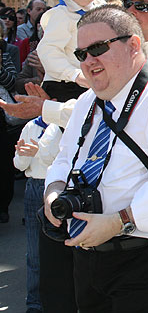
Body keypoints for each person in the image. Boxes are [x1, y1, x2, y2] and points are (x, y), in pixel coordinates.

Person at [43, 5, 148, 311]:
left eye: (98, 49)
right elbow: (64, 159)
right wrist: (53, 193)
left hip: (144, 257)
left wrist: (118, 222)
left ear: (133, 45)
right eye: (81, 54)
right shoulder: (86, 102)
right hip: (87, 255)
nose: (89, 61)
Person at [37, 0, 107, 102]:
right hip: (64, 85)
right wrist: (74, 74)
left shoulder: (104, 11)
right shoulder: (62, 14)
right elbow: (48, 50)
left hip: (93, 82)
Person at [14, 116, 62, 313]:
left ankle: (63, 300)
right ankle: (34, 302)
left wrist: (39, 153)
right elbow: (19, 165)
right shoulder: (31, 126)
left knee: (62, 249)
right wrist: (23, 154)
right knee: (34, 251)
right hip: (35, 186)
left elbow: (64, 159)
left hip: (57, 185)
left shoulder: (63, 124)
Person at [0, 39, 19, 224]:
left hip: (3, 118)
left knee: (4, 166)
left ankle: (3, 207)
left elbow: (14, 82)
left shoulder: (7, 52)